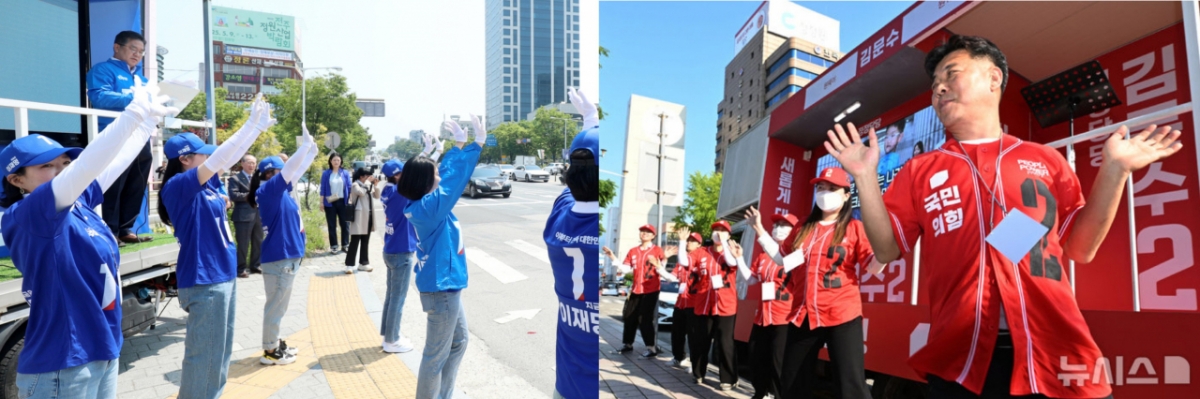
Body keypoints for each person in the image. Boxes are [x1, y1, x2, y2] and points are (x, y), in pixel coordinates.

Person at [822, 35, 1182, 399]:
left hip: (1056, 349)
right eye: (934, 86)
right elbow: (884, 250)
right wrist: (865, 178)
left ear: (994, 78)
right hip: (962, 358)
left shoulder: (1045, 159)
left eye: (952, 73)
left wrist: (1115, 170)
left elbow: (1081, 248)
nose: (939, 89)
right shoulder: (919, 169)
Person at [2, 79, 173, 399]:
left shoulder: (78, 203)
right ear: (16, 180)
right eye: (46, 166)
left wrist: (146, 123)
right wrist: (132, 114)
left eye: (64, 164)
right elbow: (90, 163)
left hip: (101, 350)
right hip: (62, 365)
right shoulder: (29, 213)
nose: (60, 170)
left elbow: (113, 163)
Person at [159, 95, 274, 398]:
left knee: (220, 353)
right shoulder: (178, 186)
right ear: (185, 159)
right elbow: (223, 158)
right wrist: (252, 127)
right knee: (204, 357)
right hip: (204, 278)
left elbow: (221, 167)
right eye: (202, 155)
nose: (212, 160)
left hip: (222, 274)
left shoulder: (209, 185)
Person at [397, 114, 487, 399]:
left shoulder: (423, 203)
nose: (439, 173)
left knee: (459, 342)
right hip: (442, 290)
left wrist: (459, 146)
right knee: (434, 357)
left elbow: (446, 176)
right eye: (433, 172)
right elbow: (454, 179)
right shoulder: (429, 207)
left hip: (444, 287)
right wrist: (475, 145)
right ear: (425, 183)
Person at [766, 167, 874, 399]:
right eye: (820, 188)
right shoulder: (803, 227)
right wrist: (762, 234)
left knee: (850, 384)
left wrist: (888, 249)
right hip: (803, 313)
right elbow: (784, 260)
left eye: (832, 188)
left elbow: (873, 265)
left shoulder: (854, 228)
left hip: (841, 313)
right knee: (792, 381)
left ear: (846, 195)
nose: (825, 193)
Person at [543, 91, 600, 398]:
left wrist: (589, 125)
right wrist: (591, 123)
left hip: (568, 383)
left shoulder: (558, 223)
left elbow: (570, 188)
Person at [248, 129, 319, 366]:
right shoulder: (268, 191)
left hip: (286, 257)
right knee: (275, 306)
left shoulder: (281, 192)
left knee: (279, 305)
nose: (287, 173)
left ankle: (274, 342)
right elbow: (291, 171)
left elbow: (295, 171)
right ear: (272, 174)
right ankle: (270, 350)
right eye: (280, 170)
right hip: (279, 258)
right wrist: (304, 148)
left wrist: (310, 151)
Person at [87, 30, 155, 247]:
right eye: (133, 49)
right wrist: (135, 99)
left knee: (136, 180)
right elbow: (99, 97)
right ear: (117, 47)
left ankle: (126, 227)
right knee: (114, 182)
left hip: (140, 134)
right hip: (114, 133)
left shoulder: (142, 79)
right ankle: (110, 229)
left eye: (141, 52)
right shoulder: (103, 69)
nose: (137, 54)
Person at [740, 207, 801, 399]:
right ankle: (760, 393)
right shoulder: (763, 256)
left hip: (784, 316)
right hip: (762, 315)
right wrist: (739, 258)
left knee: (779, 361)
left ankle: (777, 394)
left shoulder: (796, 254)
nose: (778, 228)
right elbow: (751, 280)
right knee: (757, 357)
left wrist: (759, 228)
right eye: (776, 225)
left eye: (784, 225)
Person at [681, 220, 746, 391]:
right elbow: (685, 262)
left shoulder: (732, 251)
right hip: (703, 303)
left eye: (723, 231)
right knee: (700, 340)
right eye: (716, 230)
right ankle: (698, 373)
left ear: (729, 235)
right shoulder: (701, 252)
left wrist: (724, 242)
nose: (718, 233)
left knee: (725, 343)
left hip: (726, 304)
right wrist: (682, 242)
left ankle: (729, 378)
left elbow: (732, 263)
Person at [601, 224, 666, 358]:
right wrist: (612, 257)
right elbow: (625, 269)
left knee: (645, 319)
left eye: (648, 232)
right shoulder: (633, 251)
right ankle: (627, 344)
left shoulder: (658, 250)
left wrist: (662, 261)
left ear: (653, 236)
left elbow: (662, 269)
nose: (644, 234)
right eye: (642, 231)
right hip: (636, 289)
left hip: (651, 289)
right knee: (629, 316)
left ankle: (651, 347)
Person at [379, 159, 418, 354]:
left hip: (391, 248)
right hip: (402, 250)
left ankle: (388, 335)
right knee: (398, 298)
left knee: (391, 296)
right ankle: (392, 340)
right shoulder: (400, 193)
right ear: (397, 175)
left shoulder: (388, 191)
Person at [663, 232, 703, 370]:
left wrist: (681, 241)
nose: (688, 242)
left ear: (699, 244)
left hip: (694, 302)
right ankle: (678, 357)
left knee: (694, 335)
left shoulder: (701, 257)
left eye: (692, 241)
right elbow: (671, 277)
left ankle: (695, 363)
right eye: (688, 240)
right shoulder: (681, 259)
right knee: (677, 332)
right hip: (681, 302)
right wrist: (660, 265)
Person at [229, 154, 264, 278]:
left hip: (259, 214)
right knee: (243, 243)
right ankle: (241, 268)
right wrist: (250, 195)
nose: (252, 165)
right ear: (242, 164)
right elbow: (233, 195)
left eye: (254, 163)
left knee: (258, 241)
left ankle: (255, 265)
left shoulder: (259, 178)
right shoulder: (235, 179)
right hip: (243, 216)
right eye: (249, 162)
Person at [345, 167, 380, 274]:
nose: (370, 178)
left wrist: (376, 186)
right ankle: (349, 265)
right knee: (355, 241)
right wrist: (369, 183)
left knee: (365, 241)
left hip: (369, 216)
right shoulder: (355, 184)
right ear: (362, 176)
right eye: (368, 176)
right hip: (359, 216)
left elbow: (376, 196)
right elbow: (361, 193)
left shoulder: (368, 185)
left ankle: (363, 263)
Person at [321, 152, 352, 254]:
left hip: (343, 201)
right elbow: (323, 189)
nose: (336, 162)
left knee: (345, 224)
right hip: (330, 203)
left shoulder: (345, 173)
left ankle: (345, 244)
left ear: (341, 161)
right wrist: (321, 202)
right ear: (330, 161)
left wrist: (350, 200)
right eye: (334, 160)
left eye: (338, 160)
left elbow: (349, 187)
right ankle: (334, 246)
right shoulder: (326, 174)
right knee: (331, 225)